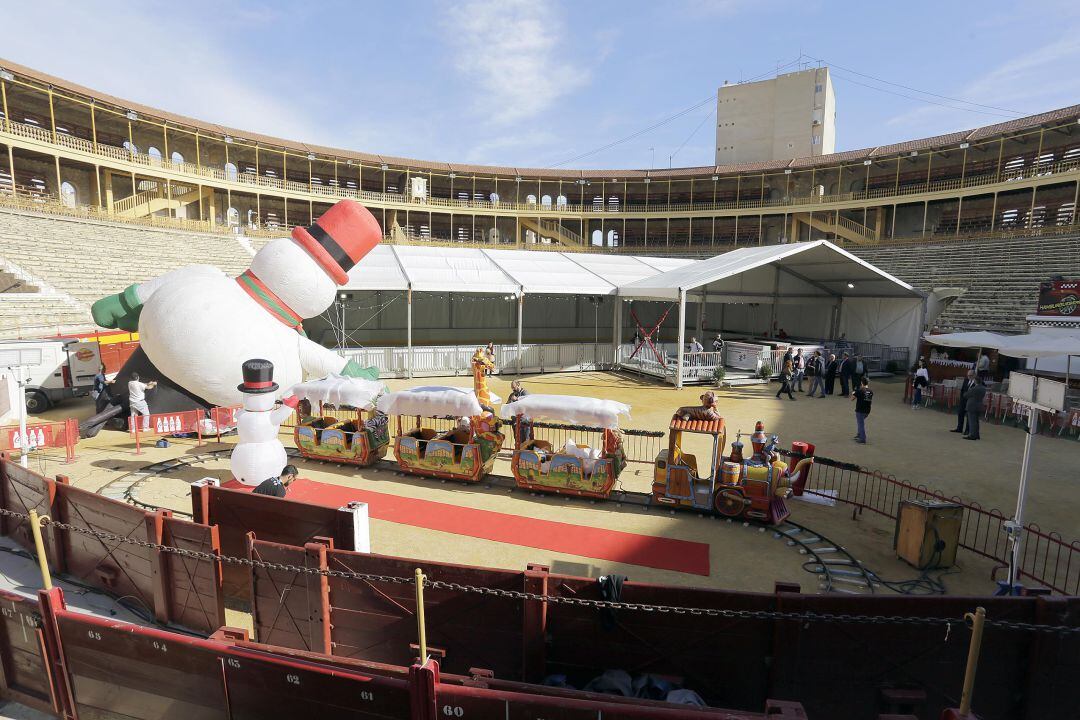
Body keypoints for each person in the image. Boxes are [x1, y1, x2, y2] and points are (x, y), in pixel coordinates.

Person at [951, 370, 975, 434]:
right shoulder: (966, 380)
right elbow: (962, 390)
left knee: (968, 416)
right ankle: (959, 428)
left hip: (971, 401)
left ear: (974, 375)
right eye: (968, 375)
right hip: (963, 401)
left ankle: (967, 430)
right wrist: (961, 399)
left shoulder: (976, 383)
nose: (969, 377)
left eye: (970, 375)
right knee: (960, 414)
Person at [852, 377, 873, 444]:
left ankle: (862, 439)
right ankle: (859, 435)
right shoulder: (870, 391)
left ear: (861, 383)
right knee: (860, 422)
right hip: (867, 410)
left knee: (860, 424)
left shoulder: (860, 390)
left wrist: (854, 392)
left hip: (860, 410)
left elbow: (852, 398)